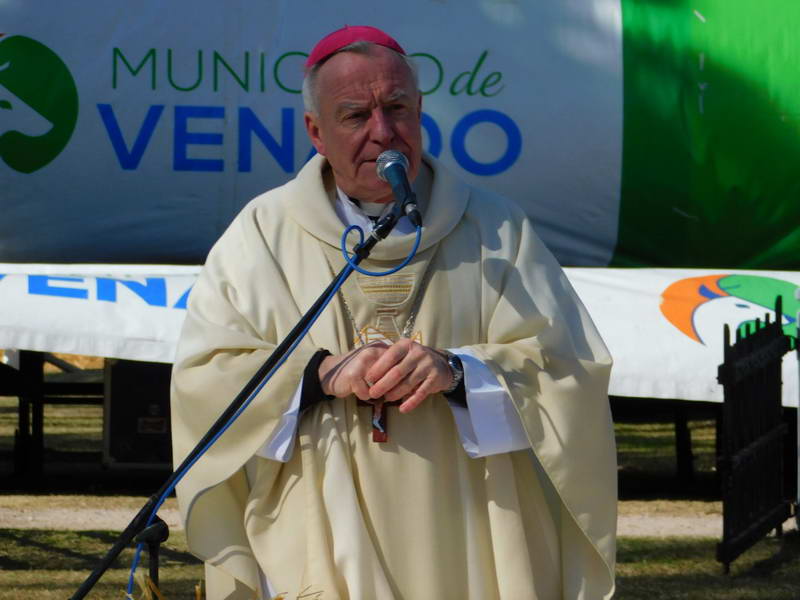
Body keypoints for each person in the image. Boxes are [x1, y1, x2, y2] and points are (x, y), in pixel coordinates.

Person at [171, 25, 617, 600]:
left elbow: (568, 367)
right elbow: (207, 377)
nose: (383, 133)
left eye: (398, 108)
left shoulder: (494, 228)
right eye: (356, 115)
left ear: (421, 111)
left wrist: (458, 371)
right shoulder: (262, 235)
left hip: (470, 524)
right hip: (322, 520)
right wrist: (322, 374)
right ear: (316, 131)